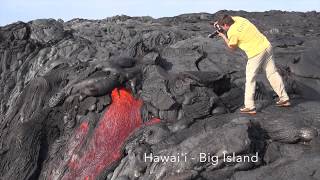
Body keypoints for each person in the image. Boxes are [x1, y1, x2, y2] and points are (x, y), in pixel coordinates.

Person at [213, 14, 290, 114]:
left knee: (250, 79)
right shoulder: (239, 19)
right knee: (272, 73)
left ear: (226, 25)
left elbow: (232, 47)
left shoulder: (232, 32)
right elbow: (229, 17)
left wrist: (223, 35)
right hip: (267, 46)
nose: (223, 28)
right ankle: (284, 98)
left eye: (223, 27)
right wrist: (218, 23)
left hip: (256, 53)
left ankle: (250, 106)